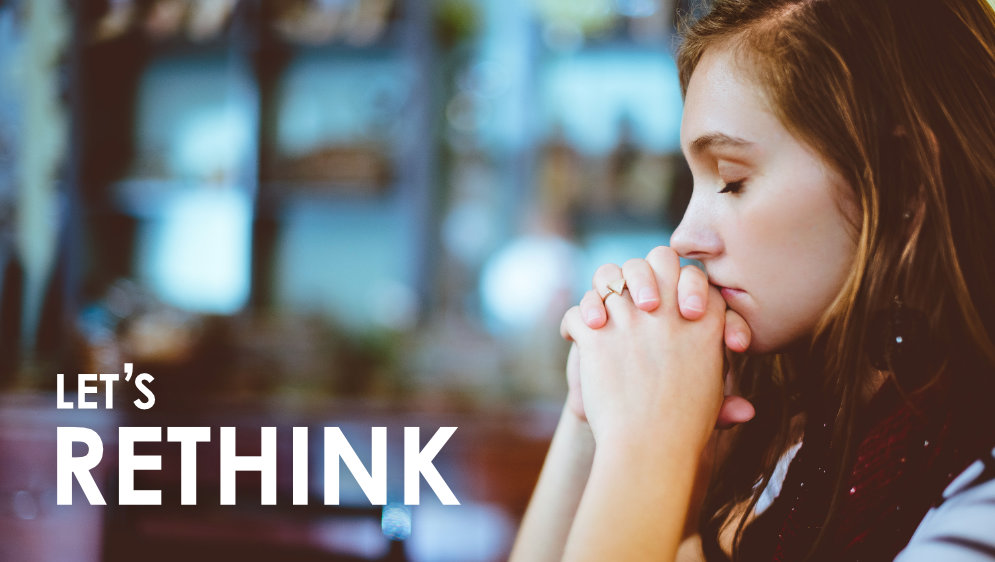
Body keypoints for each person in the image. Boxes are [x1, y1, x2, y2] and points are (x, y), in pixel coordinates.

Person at [510, 0, 995, 560]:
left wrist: (649, 446)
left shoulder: (974, 491)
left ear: (904, 178)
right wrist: (591, 417)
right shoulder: (799, 446)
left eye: (733, 181)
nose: (683, 238)